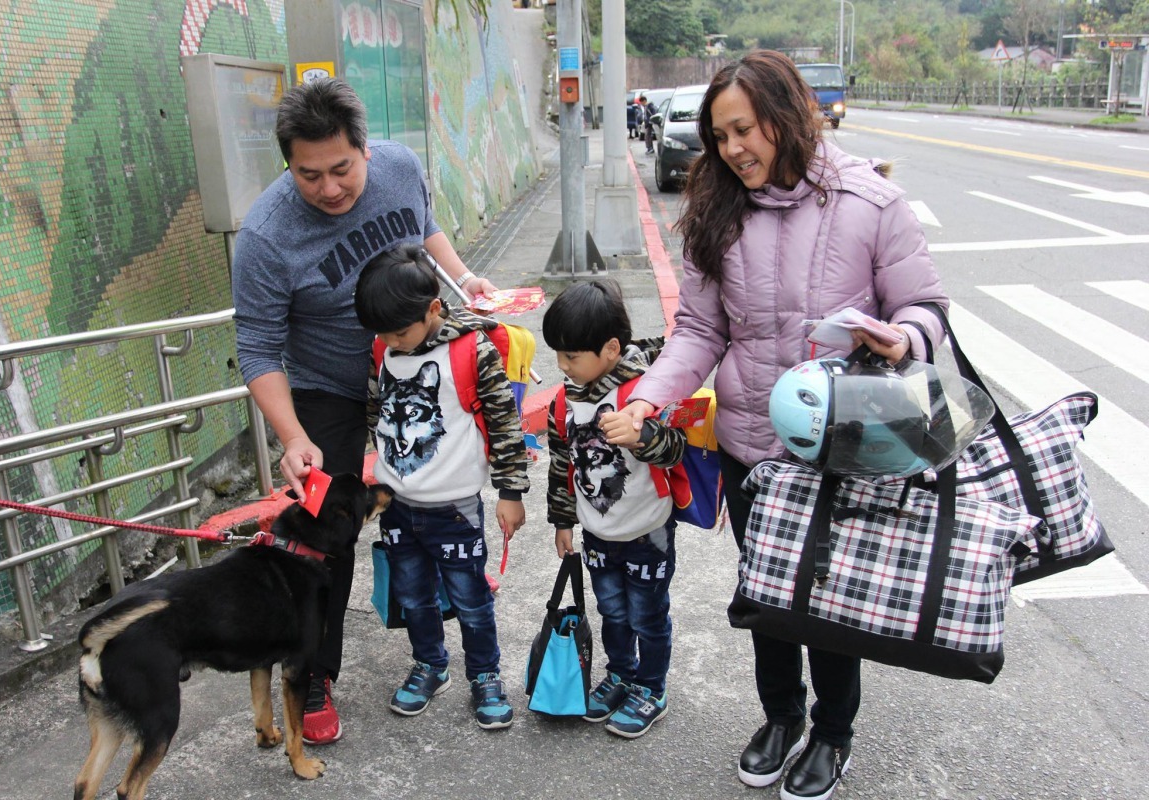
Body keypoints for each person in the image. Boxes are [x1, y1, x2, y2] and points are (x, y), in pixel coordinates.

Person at [610, 51, 948, 800]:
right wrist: (645, 398)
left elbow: (926, 309)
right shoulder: (715, 207)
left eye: (743, 130)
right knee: (766, 593)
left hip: (841, 447)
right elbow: (700, 330)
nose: (732, 149)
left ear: (787, 116)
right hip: (751, 446)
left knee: (828, 600)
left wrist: (904, 337)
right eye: (719, 135)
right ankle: (780, 717)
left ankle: (832, 733)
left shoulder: (870, 202)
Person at [231, 77, 497, 745]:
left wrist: (465, 281)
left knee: (448, 492)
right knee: (324, 524)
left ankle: (443, 637)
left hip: (421, 359)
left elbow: (425, 228)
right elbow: (259, 349)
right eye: (308, 174)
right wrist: (292, 436)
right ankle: (313, 672)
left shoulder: (401, 168)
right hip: (334, 386)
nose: (328, 189)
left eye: (341, 169)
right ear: (287, 163)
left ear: (366, 150)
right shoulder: (265, 236)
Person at [356, 244, 528, 730]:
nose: (392, 341)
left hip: (454, 509)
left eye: (400, 331)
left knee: (471, 598)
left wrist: (511, 493)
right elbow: (375, 411)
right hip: (397, 507)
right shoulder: (383, 350)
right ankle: (430, 664)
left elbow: (505, 423)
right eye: (382, 333)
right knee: (412, 597)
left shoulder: (471, 351)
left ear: (433, 309)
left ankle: (485, 675)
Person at [543, 280, 686, 739]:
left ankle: (652, 687)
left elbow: (676, 450)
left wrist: (642, 437)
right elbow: (562, 463)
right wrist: (563, 519)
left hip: (648, 531)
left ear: (610, 348)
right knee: (612, 611)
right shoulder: (564, 400)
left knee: (647, 614)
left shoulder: (645, 392)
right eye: (559, 357)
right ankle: (621, 674)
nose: (563, 367)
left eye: (571, 357)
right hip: (598, 533)